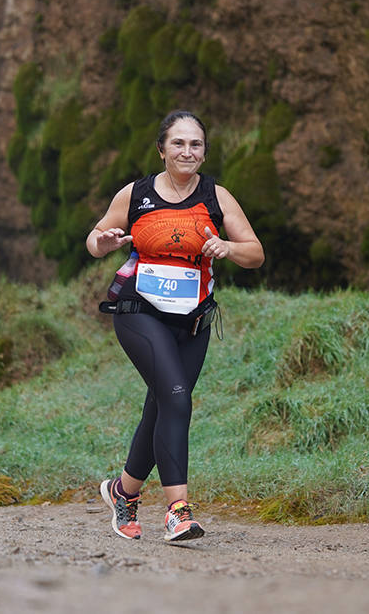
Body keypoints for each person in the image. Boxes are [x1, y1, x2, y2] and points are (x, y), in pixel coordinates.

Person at [87, 110, 264, 542]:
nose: (188, 151)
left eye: (196, 144)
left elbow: (255, 253)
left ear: (204, 152)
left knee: (163, 404)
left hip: (193, 322)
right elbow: (95, 241)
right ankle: (177, 511)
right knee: (177, 399)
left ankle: (122, 491)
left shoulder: (216, 196)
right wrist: (103, 241)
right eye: (179, 143)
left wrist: (227, 246)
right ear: (162, 149)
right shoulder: (136, 194)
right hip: (139, 311)